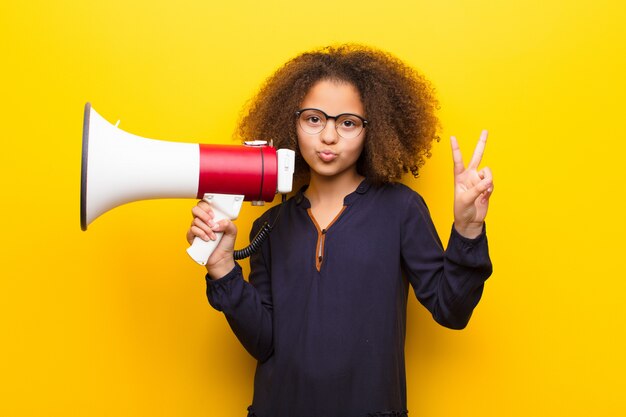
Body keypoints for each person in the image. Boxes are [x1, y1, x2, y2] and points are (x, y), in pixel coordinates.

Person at [186, 44, 494, 417]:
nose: (328, 136)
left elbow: (452, 310)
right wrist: (222, 268)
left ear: (370, 131)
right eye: (314, 119)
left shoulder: (401, 210)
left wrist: (467, 228)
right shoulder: (270, 226)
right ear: (291, 122)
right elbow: (263, 341)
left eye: (347, 122)